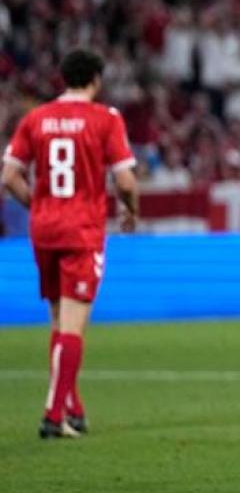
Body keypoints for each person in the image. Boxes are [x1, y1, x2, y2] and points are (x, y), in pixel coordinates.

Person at [1, 49, 140, 439]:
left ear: (63, 79)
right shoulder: (105, 118)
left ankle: (72, 408)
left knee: (60, 321)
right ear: (96, 79)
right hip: (81, 230)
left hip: (44, 230)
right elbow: (125, 180)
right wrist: (131, 209)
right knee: (74, 327)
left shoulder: (36, 118)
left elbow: (9, 176)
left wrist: (37, 205)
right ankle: (52, 416)